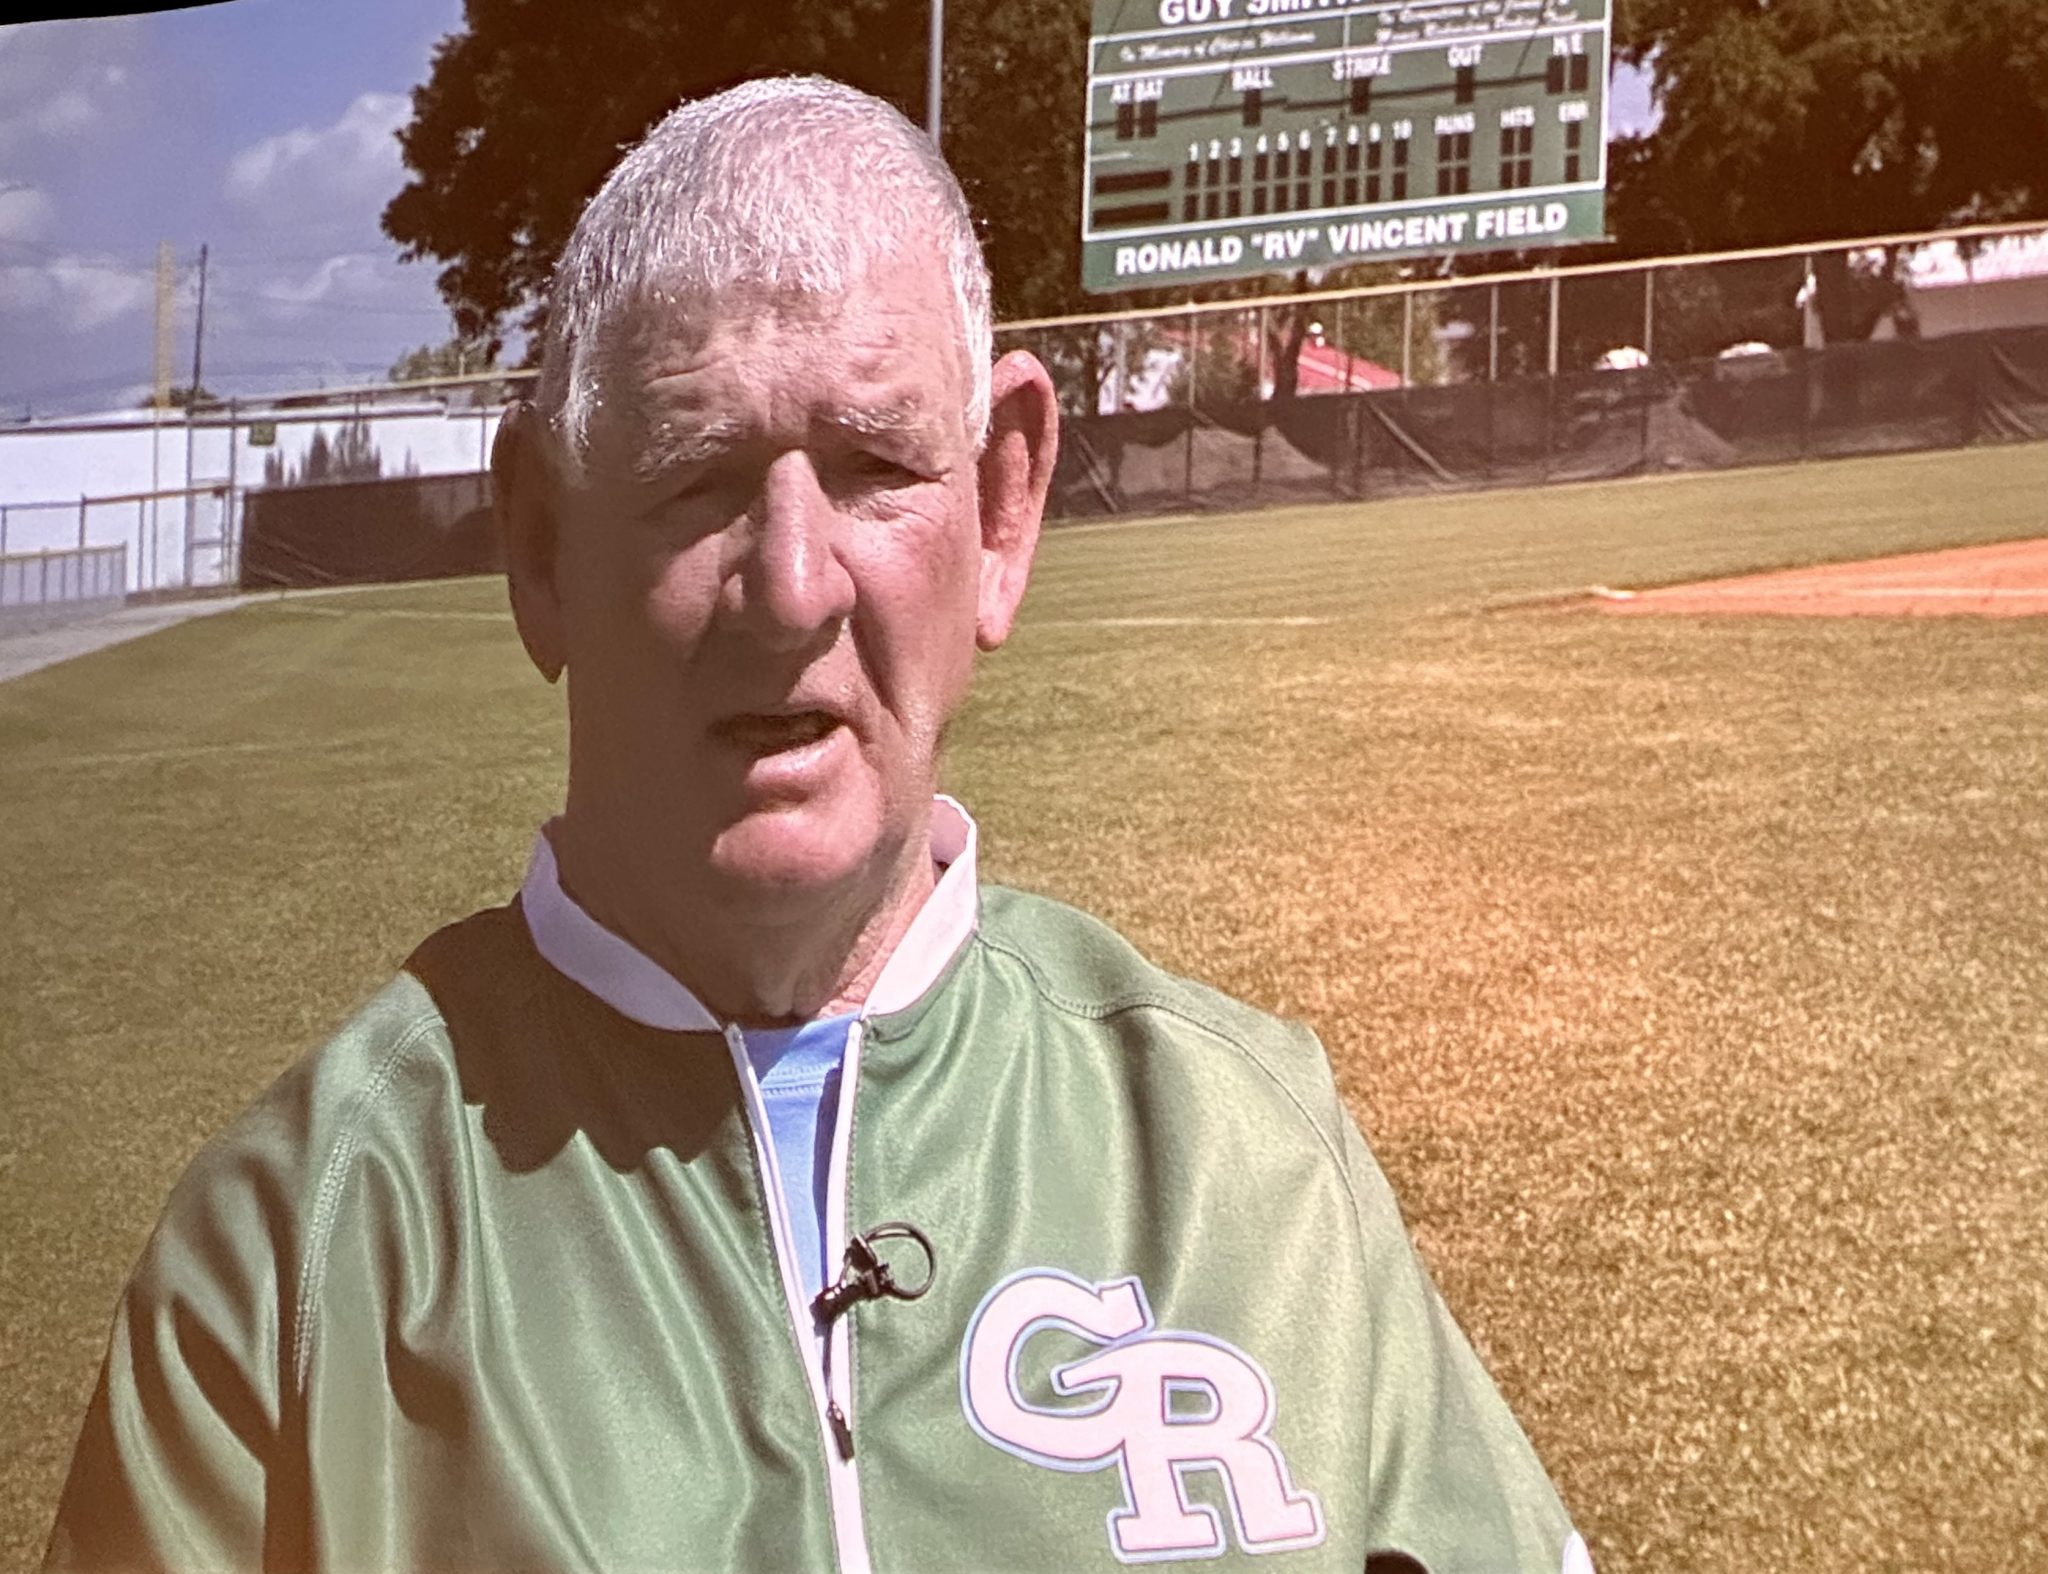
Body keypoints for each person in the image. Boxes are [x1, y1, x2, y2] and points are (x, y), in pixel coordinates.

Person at [45, 78, 1591, 1573]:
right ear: (542, 545)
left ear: (1001, 509)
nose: (792, 586)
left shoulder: (1250, 1157)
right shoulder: (292, 1256)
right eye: (696, 477)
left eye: (874, 468)